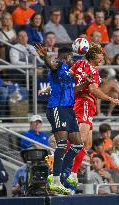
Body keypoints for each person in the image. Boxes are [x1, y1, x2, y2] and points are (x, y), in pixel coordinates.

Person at [35, 45, 85, 195]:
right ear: (67, 57)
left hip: (68, 110)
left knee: (78, 145)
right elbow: (50, 64)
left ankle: (62, 172)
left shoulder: (69, 73)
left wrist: (86, 83)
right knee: (62, 144)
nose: (73, 60)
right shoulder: (59, 65)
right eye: (71, 57)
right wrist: (44, 56)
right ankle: (56, 180)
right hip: (57, 108)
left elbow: (73, 90)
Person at [69, 43, 119, 178]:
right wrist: (112, 99)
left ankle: (73, 172)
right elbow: (93, 89)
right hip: (85, 103)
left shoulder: (79, 63)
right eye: (100, 54)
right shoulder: (93, 70)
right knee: (80, 140)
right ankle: (61, 161)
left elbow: (68, 76)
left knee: (87, 144)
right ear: (93, 55)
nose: (103, 57)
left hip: (82, 103)